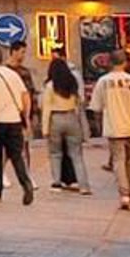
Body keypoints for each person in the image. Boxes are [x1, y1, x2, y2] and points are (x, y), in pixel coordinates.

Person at [90, 49, 130, 208]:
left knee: (118, 160)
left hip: (114, 127)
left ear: (110, 62)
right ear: (125, 63)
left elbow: (96, 106)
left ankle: (124, 194)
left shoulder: (103, 82)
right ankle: (129, 189)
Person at [0, 45, 34, 203]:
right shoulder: (12, 74)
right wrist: (26, 116)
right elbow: (25, 96)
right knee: (17, 156)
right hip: (14, 120)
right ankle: (26, 184)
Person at [41, 56, 89, 192]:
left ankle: (57, 182)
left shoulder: (50, 86)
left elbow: (46, 108)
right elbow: (78, 104)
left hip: (55, 119)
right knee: (77, 154)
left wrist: (45, 129)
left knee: (55, 153)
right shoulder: (72, 83)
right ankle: (83, 185)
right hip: (71, 117)